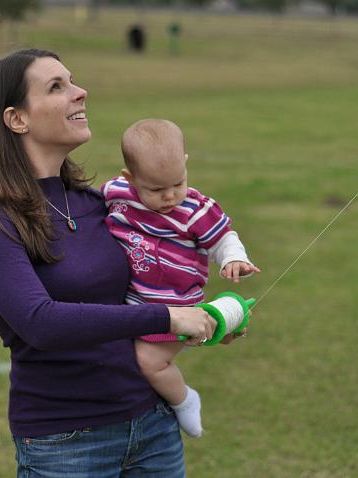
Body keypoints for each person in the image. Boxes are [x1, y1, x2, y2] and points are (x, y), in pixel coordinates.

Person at [0, 49, 242, 477]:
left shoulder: (97, 201)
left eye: (73, 81)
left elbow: (155, 276)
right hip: (66, 443)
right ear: (16, 119)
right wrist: (167, 317)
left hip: (152, 426)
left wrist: (208, 317)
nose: (80, 93)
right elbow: (40, 323)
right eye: (57, 87)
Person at [101, 119, 260, 438]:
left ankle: (184, 400)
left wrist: (233, 258)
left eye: (178, 182)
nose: (170, 196)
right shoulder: (116, 194)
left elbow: (223, 237)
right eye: (156, 190)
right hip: (132, 301)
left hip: (175, 306)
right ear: (129, 179)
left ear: (184, 164)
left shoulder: (195, 209)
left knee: (150, 362)